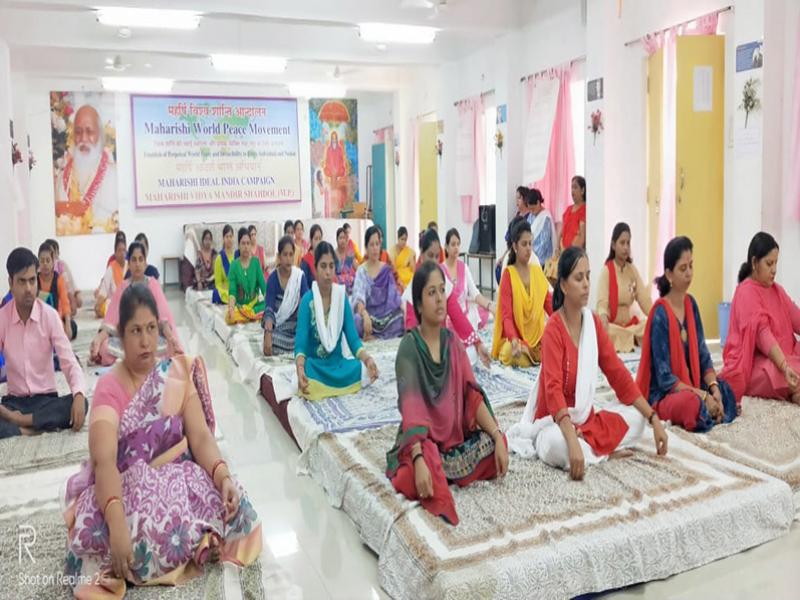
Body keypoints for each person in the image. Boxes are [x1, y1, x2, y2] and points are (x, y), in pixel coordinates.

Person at [64, 285, 261, 597]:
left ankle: (183, 545)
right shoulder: (108, 388)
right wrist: (115, 522)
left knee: (240, 508)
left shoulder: (176, 374)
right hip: (127, 487)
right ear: (120, 336)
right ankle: (188, 544)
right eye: (136, 331)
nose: (145, 341)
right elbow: (104, 462)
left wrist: (222, 477)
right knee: (102, 537)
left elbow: (199, 437)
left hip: (180, 479)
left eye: (151, 328)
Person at [507, 247, 668, 479]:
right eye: (578, 278)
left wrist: (654, 419)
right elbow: (552, 390)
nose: (586, 284)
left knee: (639, 420)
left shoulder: (592, 323)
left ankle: (589, 446)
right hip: (553, 423)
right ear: (563, 285)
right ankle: (596, 451)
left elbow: (618, 374)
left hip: (585, 420)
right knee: (554, 446)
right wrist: (571, 441)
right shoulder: (553, 328)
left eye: (588, 276)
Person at [385, 261, 509, 525]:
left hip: (454, 442)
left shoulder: (453, 343)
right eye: (432, 293)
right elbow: (412, 412)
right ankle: (435, 472)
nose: (440, 298)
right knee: (411, 475)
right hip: (422, 442)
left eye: (442, 290)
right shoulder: (409, 347)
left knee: (496, 443)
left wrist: (497, 436)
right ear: (418, 304)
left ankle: (442, 473)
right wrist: (418, 458)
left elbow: (472, 397)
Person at [636, 237, 737, 432]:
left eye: (691, 266)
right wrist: (703, 396)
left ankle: (712, 410)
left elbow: (703, 354)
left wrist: (713, 389)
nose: (689, 273)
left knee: (726, 389)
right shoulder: (660, 315)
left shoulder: (691, 304)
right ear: (669, 274)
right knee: (690, 404)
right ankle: (706, 412)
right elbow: (665, 379)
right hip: (666, 394)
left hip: (693, 384)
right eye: (683, 268)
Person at [0, 247, 86, 439]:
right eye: (22, 281)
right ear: (10, 283)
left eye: (32, 280)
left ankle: (21, 424)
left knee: (81, 403)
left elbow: (68, 361)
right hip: (14, 403)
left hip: (46, 402)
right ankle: (32, 427)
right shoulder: (2, 319)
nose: (29, 288)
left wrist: (78, 394)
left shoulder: (50, 316)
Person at [720, 232, 800, 404]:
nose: (774, 270)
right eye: (769, 263)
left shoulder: (777, 290)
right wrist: (784, 366)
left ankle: (794, 391)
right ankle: (793, 390)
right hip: (756, 363)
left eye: (776, 263)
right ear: (755, 263)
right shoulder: (746, 291)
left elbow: (796, 317)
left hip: (786, 355)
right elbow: (763, 336)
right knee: (777, 372)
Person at [295, 242, 379, 400]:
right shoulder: (307, 301)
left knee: (360, 369)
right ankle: (315, 382)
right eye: (323, 266)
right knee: (307, 373)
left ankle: (328, 386)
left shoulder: (341, 297)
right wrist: (300, 368)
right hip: (316, 367)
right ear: (315, 268)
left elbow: (353, 340)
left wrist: (367, 359)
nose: (328, 272)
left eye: (331, 266)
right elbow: (300, 343)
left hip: (338, 364)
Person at [90, 242, 182, 366]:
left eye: (140, 259)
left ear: (145, 263)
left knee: (169, 347)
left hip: (149, 339)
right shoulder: (123, 287)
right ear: (129, 264)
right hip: (129, 340)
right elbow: (111, 322)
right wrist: (98, 339)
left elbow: (163, 319)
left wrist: (171, 338)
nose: (137, 264)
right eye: (133, 260)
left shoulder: (153, 285)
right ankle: (141, 358)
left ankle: (132, 359)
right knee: (105, 348)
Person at [492, 220, 552, 367]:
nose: (528, 249)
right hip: (517, 339)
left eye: (530, 244)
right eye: (524, 244)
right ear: (515, 246)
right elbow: (506, 317)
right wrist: (513, 339)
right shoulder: (508, 275)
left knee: (555, 343)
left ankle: (532, 355)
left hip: (537, 337)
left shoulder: (537, 272)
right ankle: (530, 355)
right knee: (507, 353)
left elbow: (549, 304)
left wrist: (564, 319)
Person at [56, 104, 119, 232]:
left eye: (89, 132)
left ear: (100, 136)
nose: (83, 139)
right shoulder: (62, 179)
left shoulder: (114, 176)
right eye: (78, 132)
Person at [596, 223, 652, 353]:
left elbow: (643, 298)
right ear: (613, 245)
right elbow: (602, 303)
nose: (626, 247)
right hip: (612, 326)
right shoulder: (607, 271)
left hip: (630, 327)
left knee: (649, 326)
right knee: (607, 331)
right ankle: (628, 339)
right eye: (622, 243)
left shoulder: (632, 270)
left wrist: (658, 315)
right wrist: (603, 319)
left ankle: (628, 339)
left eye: (628, 243)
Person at [352, 226, 404, 340]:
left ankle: (374, 336)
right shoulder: (362, 271)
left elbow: (394, 296)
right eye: (371, 245)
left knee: (401, 317)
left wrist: (404, 310)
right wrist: (365, 315)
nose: (375, 248)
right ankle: (370, 333)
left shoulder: (385, 269)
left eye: (377, 244)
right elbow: (358, 298)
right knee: (356, 321)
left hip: (386, 317)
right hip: (369, 317)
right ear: (366, 247)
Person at [263, 237, 309, 356]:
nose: (288, 259)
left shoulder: (299, 277)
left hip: (296, 325)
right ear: (279, 256)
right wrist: (268, 331)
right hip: (279, 326)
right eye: (285, 255)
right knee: (270, 340)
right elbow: (269, 307)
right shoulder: (273, 279)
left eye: (291, 254)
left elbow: (307, 302)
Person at [442, 228, 493, 338]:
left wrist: (490, 305)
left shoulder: (463, 267)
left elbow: (475, 293)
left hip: (465, 317)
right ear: (446, 247)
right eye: (453, 244)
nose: (456, 247)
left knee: (488, 314)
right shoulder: (440, 271)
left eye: (458, 244)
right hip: (448, 321)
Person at [227, 228, 267, 324]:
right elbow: (232, 292)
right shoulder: (234, 266)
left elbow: (264, 287)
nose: (246, 246)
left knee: (268, 306)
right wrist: (231, 308)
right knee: (230, 316)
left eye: (248, 243)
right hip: (240, 308)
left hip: (255, 307)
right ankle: (247, 316)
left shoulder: (256, 262)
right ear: (239, 245)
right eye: (243, 243)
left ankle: (251, 315)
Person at [38, 242, 76, 340]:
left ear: (53, 262)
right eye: (42, 261)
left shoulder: (59, 279)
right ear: (38, 263)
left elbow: (65, 303)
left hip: (56, 318)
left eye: (48, 260)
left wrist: (67, 323)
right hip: (39, 320)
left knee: (72, 327)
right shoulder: (35, 280)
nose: (45, 264)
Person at [496, 187, 533, 281]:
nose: (517, 201)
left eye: (519, 198)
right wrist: (503, 256)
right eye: (516, 198)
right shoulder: (516, 216)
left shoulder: (531, 217)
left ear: (525, 199)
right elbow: (510, 241)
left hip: (522, 257)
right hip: (512, 253)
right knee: (499, 269)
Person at [47, 238, 81, 316]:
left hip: (64, 295)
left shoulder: (61, 266)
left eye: (54, 253)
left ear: (58, 253)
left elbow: (69, 285)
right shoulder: (41, 270)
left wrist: (74, 296)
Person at [95, 234, 127, 317]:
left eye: (124, 250)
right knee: (106, 305)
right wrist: (98, 305)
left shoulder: (130, 266)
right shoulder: (111, 268)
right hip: (114, 302)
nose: (122, 253)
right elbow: (104, 289)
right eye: (119, 250)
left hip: (128, 302)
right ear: (115, 253)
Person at [526, 188, 556, 268]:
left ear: (538, 203)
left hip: (542, 261)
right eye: (530, 209)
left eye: (533, 209)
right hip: (530, 257)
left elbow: (543, 244)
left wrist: (531, 256)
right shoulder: (531, 216)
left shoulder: (545, 218)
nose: (531, 211)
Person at [557, 175, 586, 251]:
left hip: (574, 253)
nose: (572, 190)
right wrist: (557, 246)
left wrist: (570, 253)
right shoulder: (568, 209)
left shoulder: (584, 209)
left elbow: (581, 237)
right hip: (563, 251)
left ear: (582, 190)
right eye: (571, 188)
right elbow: (562, 230)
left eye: (575, 187)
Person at [212, 224, 238, 305]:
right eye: (227, 237)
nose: (229, 239)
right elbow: (218, 284)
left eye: (231, 236)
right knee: (216, 292)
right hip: (225, 292)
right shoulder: (219, 258)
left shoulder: (237, 255)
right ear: (223, 239)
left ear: (233, 238)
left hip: (238, 290)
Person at [391, 226, 416, 290]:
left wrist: (411, 258)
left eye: (405, 240)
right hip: (398, 278)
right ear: (398, 238)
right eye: (402, 239)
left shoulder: (409, 251)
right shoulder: (393, 251)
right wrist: (401, 283)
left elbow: (413, 270)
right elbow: (393, 269)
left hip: (408, 278)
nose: (404, 242)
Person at [334, 227, 358, 295]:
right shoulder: (333, 254)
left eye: (344, 238)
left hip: (350, 287)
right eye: (340, 238)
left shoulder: (350, 254)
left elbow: (358, 268)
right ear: (337, 240)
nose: (342, 240)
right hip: (338, 287)